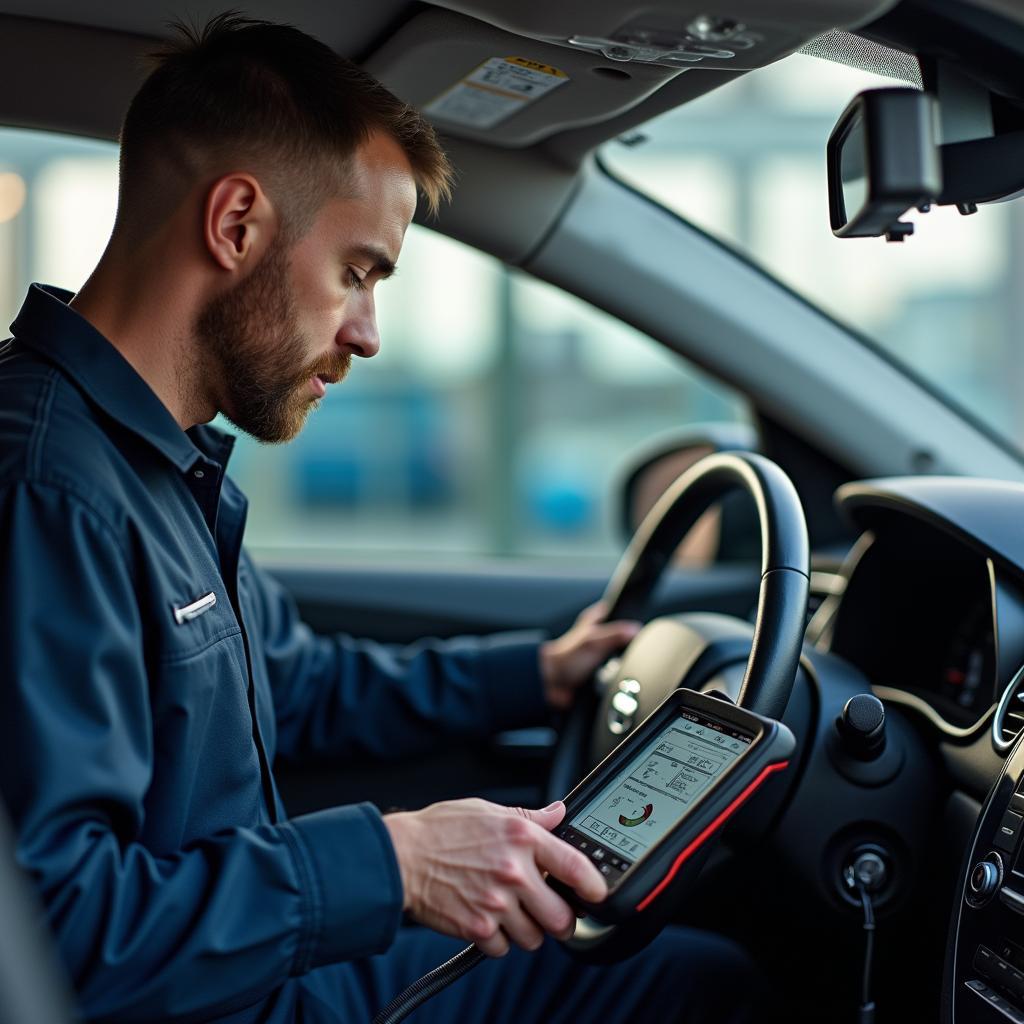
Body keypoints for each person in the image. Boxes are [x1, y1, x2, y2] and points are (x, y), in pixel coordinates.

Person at [0, 14, 760, 1023]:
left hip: (258, 976)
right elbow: (53, 934)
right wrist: (394, 862)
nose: (365, 332)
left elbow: (298, 683)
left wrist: (534, 673)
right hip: (220, 1000)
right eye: (356, 271)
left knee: (687, 972)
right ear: (236, 225)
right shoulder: (50, 491)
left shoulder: (157, 467)